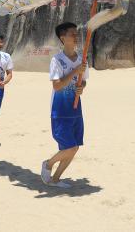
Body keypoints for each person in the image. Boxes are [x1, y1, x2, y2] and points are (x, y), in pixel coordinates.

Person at [41, 22, 88, 188]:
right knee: (70, 147)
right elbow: (57, 85)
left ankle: (55, 179)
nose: (76, 36)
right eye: (72, 34)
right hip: (60, 110)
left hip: (76, 109)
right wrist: (76, 71)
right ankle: (47, 164)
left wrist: (81, 87)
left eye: (77, 33)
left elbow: (84, 82)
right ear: (63, 38)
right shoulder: (57, 60)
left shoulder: (82, 59)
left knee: (74, 148)